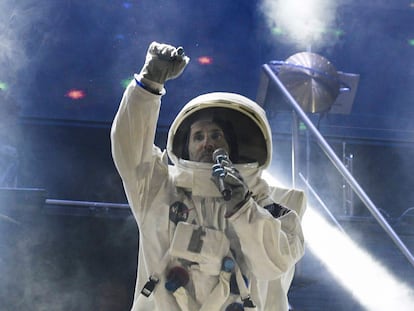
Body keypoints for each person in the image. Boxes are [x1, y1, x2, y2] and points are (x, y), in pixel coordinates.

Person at [111, 41, 306, 311]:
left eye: (216, 135)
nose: (207, 143)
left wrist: (243, 208)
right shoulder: (159, 190)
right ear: (185, 146)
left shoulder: (274, 207)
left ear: (233, 146)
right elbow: (129, 149)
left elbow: (273, 264)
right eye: (198, 137)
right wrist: (147, 85)